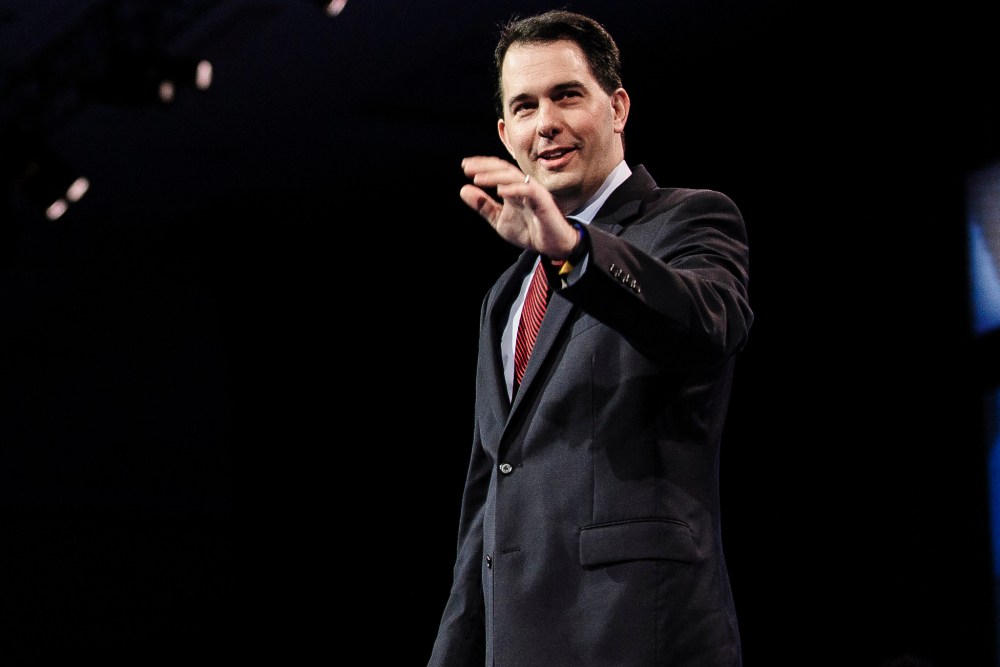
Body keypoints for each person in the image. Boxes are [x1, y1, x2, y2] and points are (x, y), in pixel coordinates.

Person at [428, 9, 753, 667]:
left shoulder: (690, 219)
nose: (544, 121)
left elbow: (705, 324)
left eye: (566, 95)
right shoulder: (505, 297)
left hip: (637, 632)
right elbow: (491, 491)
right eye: (523, 106)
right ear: (504, 132)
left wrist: (574, 250)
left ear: (618, 106)